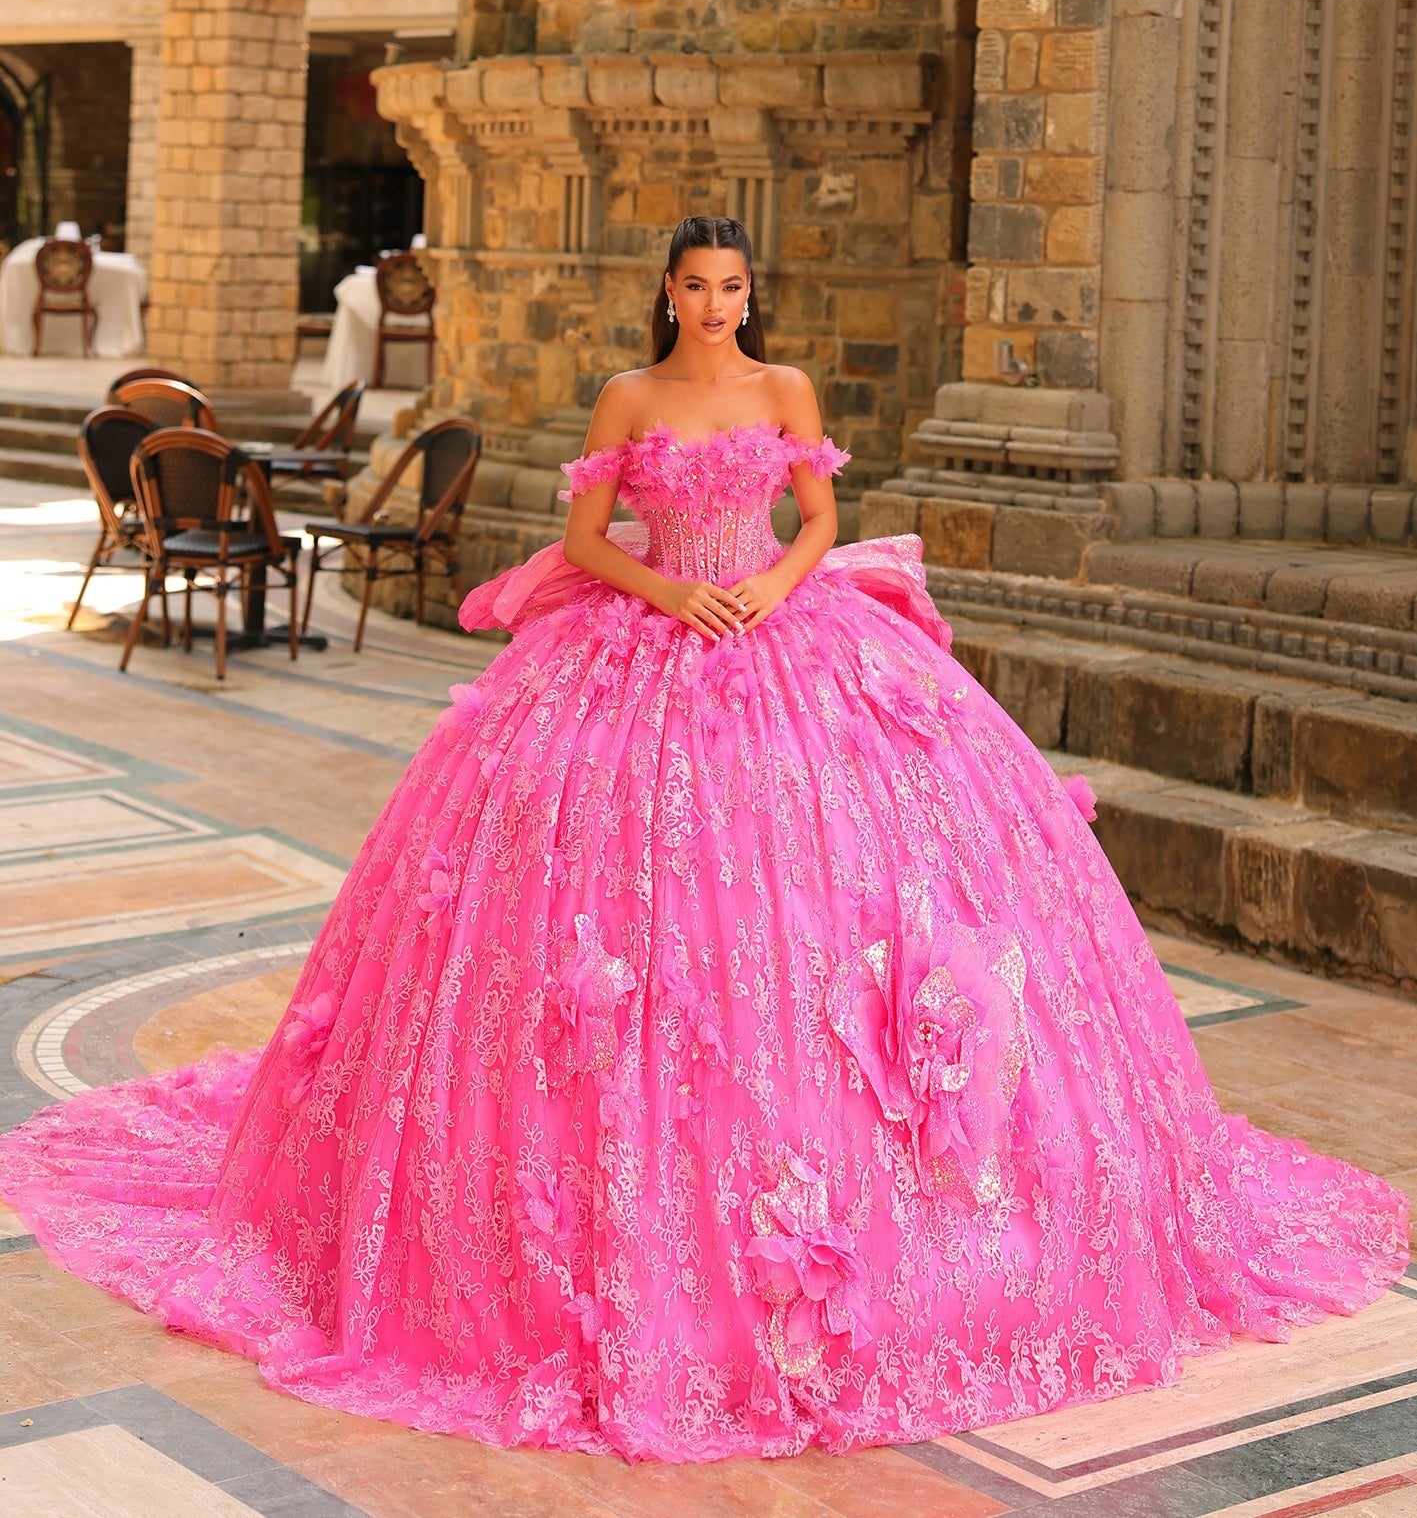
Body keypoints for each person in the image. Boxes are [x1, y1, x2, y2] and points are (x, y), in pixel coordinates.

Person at [0, 215, 1406, 1464]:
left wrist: (777, 591)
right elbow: (596, 538)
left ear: (750, 294)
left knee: (827, 909)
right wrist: (677, 603)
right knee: (620, 911)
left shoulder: (784, 388)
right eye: (696, 285)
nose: (716, 305)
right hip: (643, 638)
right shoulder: (628, 392)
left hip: (788, 635)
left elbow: (819, 518)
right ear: (666, 293)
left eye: (734, 286)